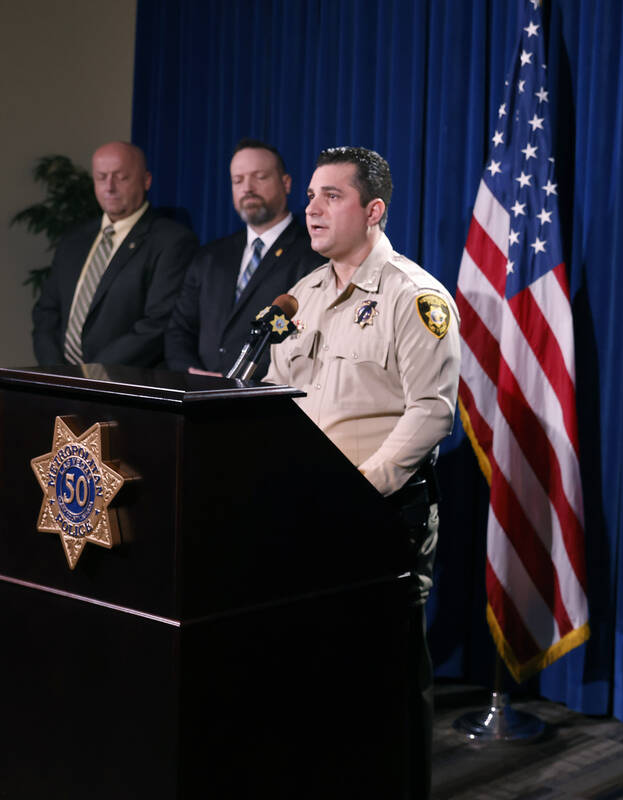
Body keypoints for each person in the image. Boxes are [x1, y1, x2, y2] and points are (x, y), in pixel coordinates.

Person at [265, 146, 460, 800]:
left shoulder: (416, 296)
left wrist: (360, 489)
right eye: (311, 195)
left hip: (382, 515)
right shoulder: (304, 294)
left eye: (331, 196)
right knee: (318, 674)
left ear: (373, 210)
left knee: (388, 681)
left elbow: (431, 412)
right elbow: (278, 393)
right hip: (311, 515)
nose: (311, 209)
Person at [166, 139, 324, 378]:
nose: (247, 187)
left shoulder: (313, 255)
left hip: (265, 400)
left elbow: (307, 339)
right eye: (238, 180)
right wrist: (191, 372)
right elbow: (179, 329)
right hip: (198, 395)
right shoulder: (211, 255)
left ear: (286, 183)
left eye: (259, 177)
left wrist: (238, 378)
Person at [32, 141, 197, 367]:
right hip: (61, 383)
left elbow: (158, 323)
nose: (109, 187)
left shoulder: (172, 241)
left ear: (146, 180)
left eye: (121, 177)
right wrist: (56, 372)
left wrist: (92, 376)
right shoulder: (74, 241)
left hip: (122, 385)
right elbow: (46, 314)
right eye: (101, 177)